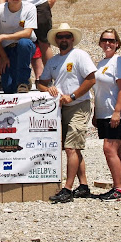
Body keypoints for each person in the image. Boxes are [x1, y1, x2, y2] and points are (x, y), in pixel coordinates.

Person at [37, 23, 96, 203]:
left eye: (66, 37)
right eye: (60, 37)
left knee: (71, 148)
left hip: (79, 105)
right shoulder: (53, 61)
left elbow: (91, 79)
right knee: (73, 148)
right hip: (61, 109)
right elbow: (41, 82)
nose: (63, 40)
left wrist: (72, 95)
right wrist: (49, 90)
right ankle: (83, 185)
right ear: (56, 40)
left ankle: (67, 189)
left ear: (72, 39)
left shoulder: (80, 55)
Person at [92, 28, 121, 201]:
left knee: (109, 149)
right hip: (103, 112)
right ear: (100, 43)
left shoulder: (119, 62)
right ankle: (118, 186)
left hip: (117, 114)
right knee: (116, 151)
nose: (108, 43)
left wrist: (117, 111)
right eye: (105, 40)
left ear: (117, 44)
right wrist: (95, 113)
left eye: (111, 40)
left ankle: (118, 189)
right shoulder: (101, 64)